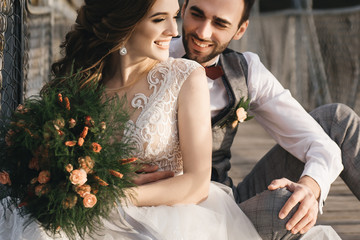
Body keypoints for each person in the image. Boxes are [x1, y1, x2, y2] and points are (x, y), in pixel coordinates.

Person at [0, 0, 263, 239]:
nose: (173, 30)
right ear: (126, 22)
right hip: (87, 216)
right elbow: (51, 166)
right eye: (159, 19)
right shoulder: (80, 83)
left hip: (168, 218)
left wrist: (114, 195)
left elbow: (197, 184)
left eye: (175, 17)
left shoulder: (185, 76)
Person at [133, 0, 360, 239]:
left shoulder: (245, 70)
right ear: (184, 7)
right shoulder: (149, 53)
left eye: (220, 23)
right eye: (197, 15)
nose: (202, 32)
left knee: (337, 119)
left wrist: (309, 187)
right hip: (160, 208)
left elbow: (320, 143)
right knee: (283, 209)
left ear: (240, 30)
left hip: (223, 204)